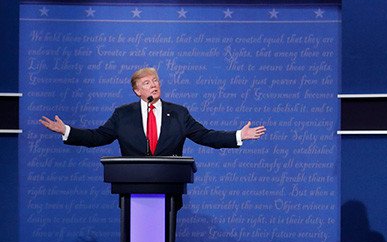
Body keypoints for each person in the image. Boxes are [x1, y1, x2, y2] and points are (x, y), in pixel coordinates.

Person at [39, 67, 266, 155]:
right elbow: (98, 137)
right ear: (137, 91)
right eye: (147, 83)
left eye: (155, 80)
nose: (154, 85)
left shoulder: (178, 113)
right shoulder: (122, 115)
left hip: (169, 184)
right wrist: (66, 130)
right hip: (131, 184)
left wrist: (239, 135)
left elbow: (205, 136)